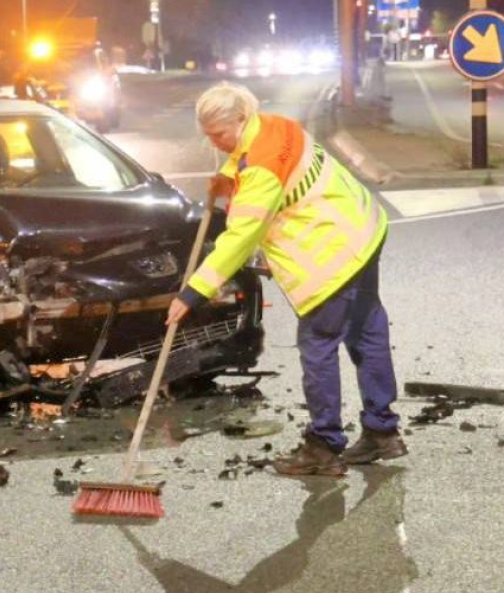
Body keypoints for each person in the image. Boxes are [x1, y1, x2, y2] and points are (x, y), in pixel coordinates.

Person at [167, 83, 400, 477]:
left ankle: (324, 446)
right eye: (208, 136)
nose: (216, 143)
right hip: (363, 229)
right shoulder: (278, 125)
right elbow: (245, 157)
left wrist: (193, 292)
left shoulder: (260, 171)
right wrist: (226, 176)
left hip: (332, 256)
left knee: (319, 345)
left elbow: (240, 238)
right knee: (365, 331)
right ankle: (382, 431)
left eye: (220, 135)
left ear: (240, 120)